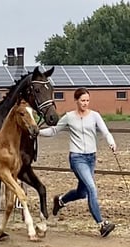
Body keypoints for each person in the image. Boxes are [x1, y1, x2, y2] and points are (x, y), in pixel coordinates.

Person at [39, 87, 116, 237]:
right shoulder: (69, 117)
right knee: (92, 188)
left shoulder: (95, 116)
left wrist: (111, 142)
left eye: (87, 100)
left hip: (91, 157)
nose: (85, 103)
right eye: (82, 100)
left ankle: (60, 201)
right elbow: (54, 130)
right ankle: (101, 224)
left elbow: (105, 131)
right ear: (76, 101)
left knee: (82, 193)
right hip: (77, 158)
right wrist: (37, 132)